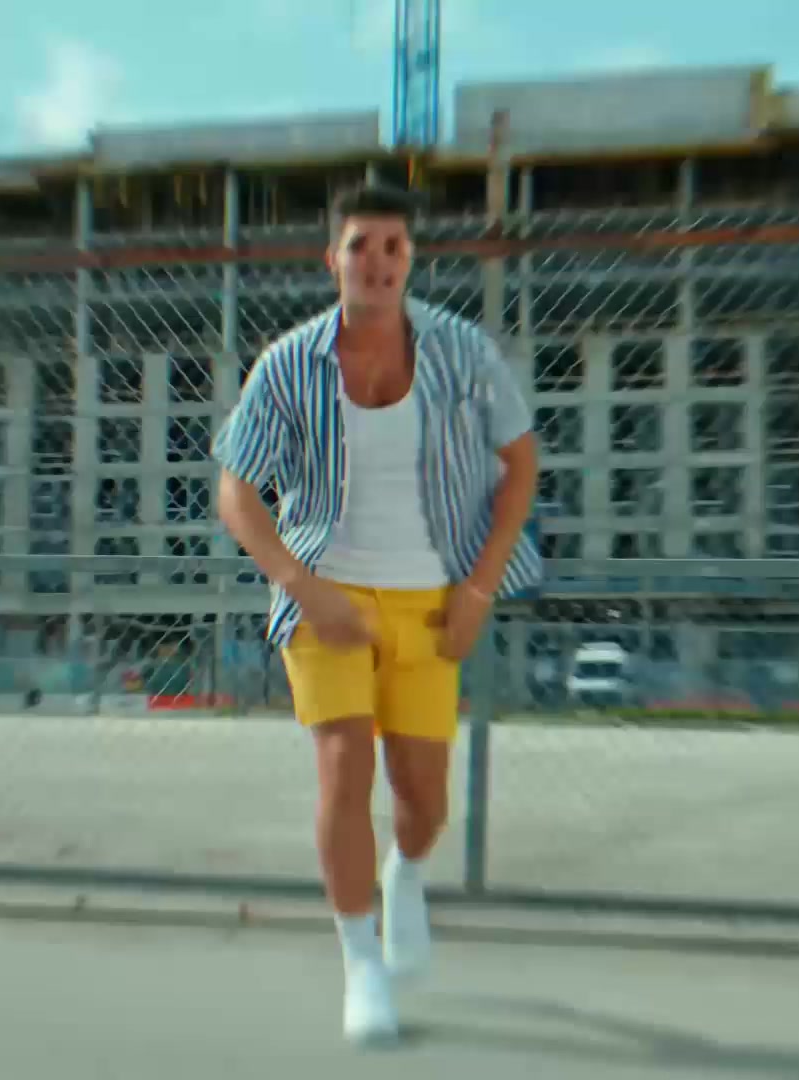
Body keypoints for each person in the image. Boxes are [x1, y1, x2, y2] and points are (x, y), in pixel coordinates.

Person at [211, 182, 542, 1045]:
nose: (379, 262)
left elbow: (521, 464)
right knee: (343, 770)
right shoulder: (288, 363)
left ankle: (405, 873)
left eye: (394, 247)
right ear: (334, 259)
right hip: (327, 599)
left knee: (423, 800)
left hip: (433, 599)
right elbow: (236, 491)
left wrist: (477, 592)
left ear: (410, 260)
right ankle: (362, 963)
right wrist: (301, 585)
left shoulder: (463, 351)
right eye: (361, 245)